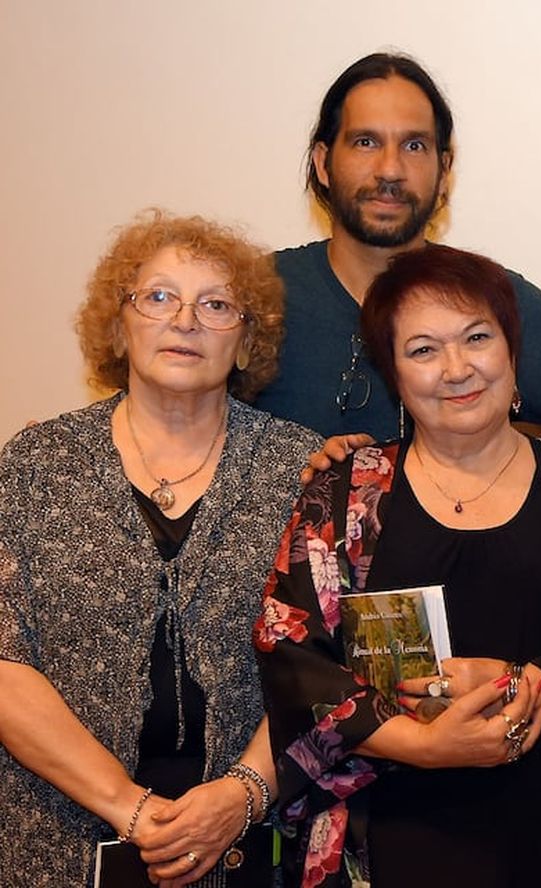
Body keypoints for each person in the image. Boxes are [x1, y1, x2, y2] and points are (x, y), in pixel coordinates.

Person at [255, 243, 541, 887]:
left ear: (511, 347)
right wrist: (426, 745)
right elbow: (291, 655)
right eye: (423, 349)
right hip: (384, 837)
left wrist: (522, 683)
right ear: (393, 371)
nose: (457, 368)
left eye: (477, 337)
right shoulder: (346, 495)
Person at [0, 210, 323, 886]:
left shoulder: (301, 470)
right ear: (120, 327)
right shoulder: (35, 464)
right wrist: (131, 808)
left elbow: (326, 663)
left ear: (244, 344)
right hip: (58, 843)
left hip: (254, 847)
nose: (185, 321)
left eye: (216, 305)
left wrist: (243, 795)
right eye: (158, 297)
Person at [254, 51, 541, 438]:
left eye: (414, 146)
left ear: (444, 171)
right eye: (366, 142)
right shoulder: (259, 294)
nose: (390, 169)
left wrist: (506, 453)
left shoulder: (489, 298)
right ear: (323, 163)